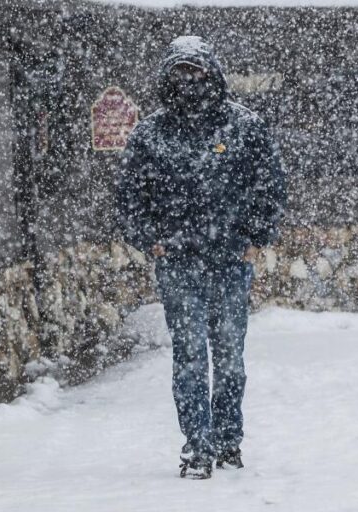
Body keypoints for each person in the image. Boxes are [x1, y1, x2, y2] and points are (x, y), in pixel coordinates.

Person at [115, 36, 287, 479]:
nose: (188, 81)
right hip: (177, 263)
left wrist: (257, 237)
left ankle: (229, 438)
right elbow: (128, 197)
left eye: (195, 71)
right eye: (180, 72)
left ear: (212, 73)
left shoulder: (244, 127)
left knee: (229, 357)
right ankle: (197, 445)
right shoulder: (150, 134)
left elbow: (271, 185)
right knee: (190, 356)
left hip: (231, 262)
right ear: (166, 77)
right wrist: (148, 238)